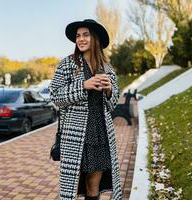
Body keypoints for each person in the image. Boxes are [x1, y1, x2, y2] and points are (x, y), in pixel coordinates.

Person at [50, 19, 122, 200]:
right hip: (76, 134)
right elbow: (55, 96)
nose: (80, 39)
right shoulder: (67, 64)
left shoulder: (107, 69)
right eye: (78, 36)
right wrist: (83, 85)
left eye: (85, 35)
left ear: (95, 38)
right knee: (71, 184)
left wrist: (109, 90)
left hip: (101, 133)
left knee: (93, 183)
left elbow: (112, 105)